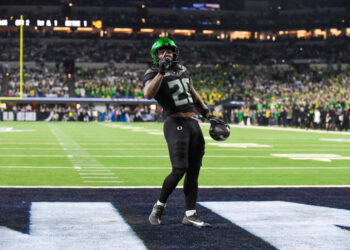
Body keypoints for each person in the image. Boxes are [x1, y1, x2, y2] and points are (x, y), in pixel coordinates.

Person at [143, 37, 217, 228]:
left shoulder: (183, 70)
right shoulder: (152, 72)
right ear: (156, 55)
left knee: (194, 171)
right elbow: (148, 94)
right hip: (175, 122)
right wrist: (161, 72)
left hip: (193, 122)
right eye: (162, 52)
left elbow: (193, 93)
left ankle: (190, 215)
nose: (166, 54)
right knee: (179, 169)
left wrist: (208, 114)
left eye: (169, 51)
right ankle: (159, 207)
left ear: (175, 53)